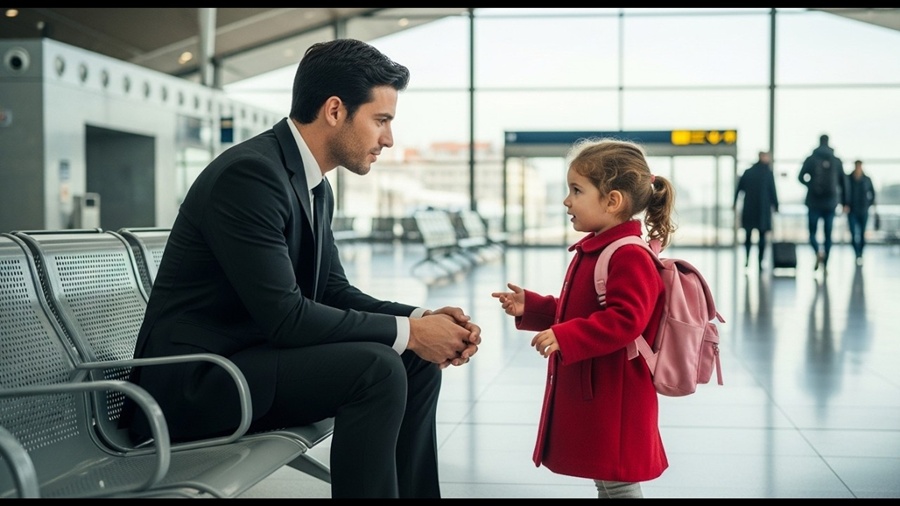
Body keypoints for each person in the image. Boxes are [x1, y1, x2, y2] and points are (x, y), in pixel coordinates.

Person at [124, 38, 482, 499]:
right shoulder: (251, 175)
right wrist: (411, 332)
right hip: (199, 382)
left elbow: (333, 291)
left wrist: (421, 322)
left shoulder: (311, 185)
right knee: (376, 368)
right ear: (335, 110)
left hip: (250, 360)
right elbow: (287, 317)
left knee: (412, 362)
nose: (389, 139)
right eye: (381, 120)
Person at [491, 138, 672, 499]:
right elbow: (583, 310)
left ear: (612, 200)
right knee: (608, 478)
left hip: (616, 393)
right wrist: (535, 307)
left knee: (617, 482)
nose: (566, 200)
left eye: (576, 190)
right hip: (605, 386)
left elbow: (626, 320)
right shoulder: (602, 247)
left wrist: (567, 336)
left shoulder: (627, 255)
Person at [798, 134, 846, 272]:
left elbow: (800, 177)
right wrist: (844, 202)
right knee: (828, 235)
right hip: (831, 203)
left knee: (812, 233)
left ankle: (817, 252)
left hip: (813, 202)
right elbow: (843, 183)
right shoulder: (836, 160)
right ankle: (826, 263)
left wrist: (810, 185)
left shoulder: (811, 159)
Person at [733, 150, 779, 270]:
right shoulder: (767, 173)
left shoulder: (748, 172)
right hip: (762, 210)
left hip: (749, 208)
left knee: (748, 236)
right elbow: (772, 191)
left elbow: (739, 189)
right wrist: (776, 205)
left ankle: (747, 259)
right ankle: (760, 262)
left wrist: (734, 203)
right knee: (762, 237)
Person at [844, 159, 876, 265]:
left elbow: (872, 193)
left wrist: (868, 204)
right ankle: (856, 253)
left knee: (862, 233)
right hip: (852, 210)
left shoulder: (866, 179)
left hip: (863, 210)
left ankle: (860, 253)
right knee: (853, 233)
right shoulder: (848, 179)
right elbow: (843, 192)